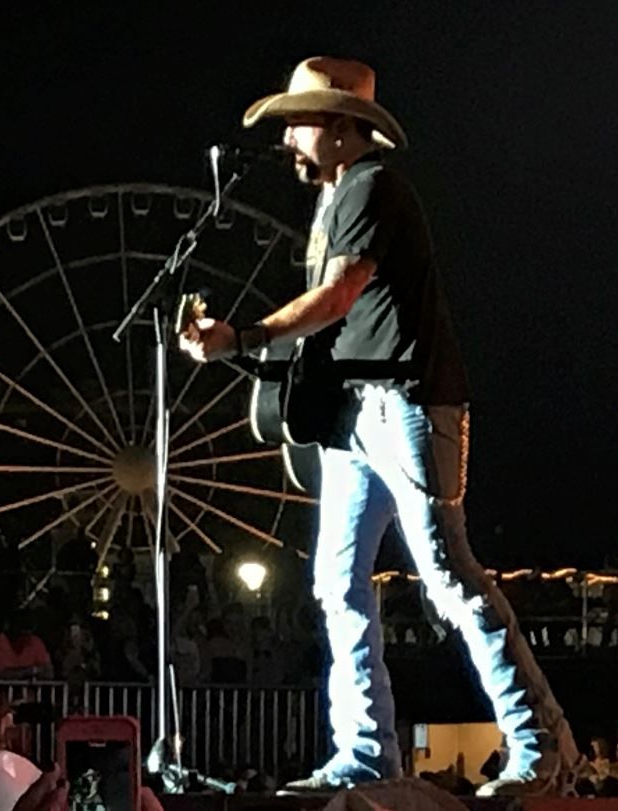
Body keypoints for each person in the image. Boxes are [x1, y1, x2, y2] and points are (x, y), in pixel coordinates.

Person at [178, 56, 581, 796]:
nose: (288, 138)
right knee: (337, 582)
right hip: (354, 412)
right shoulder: (335, 198)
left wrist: (241, 337)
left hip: (407, 403)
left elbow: (338, 296)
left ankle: (542, 746)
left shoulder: (371, 187)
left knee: (448, 576)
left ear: (339, 128)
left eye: (298, 122)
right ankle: (365, 751)